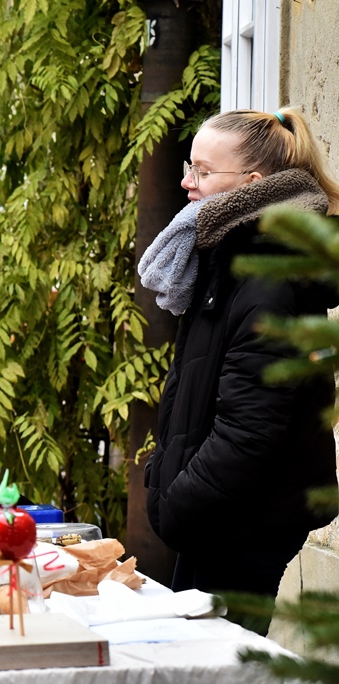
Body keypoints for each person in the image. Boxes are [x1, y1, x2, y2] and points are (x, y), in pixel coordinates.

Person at [141, 107, 339, 598]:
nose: (187, 183)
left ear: (253, 182)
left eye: (203, 172)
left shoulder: (269, 277)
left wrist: (175, 503)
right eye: (189, 166)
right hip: (219, 513)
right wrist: (163, 473)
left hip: (242, 520)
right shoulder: (229, 256)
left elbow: (251, 434)